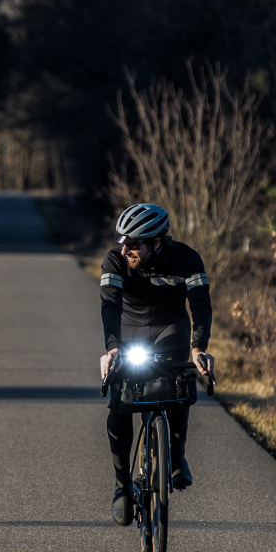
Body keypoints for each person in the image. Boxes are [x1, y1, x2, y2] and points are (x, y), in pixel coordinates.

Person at [99, 203, 215, 527]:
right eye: (123, 241)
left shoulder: (186, 259)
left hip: (170, 329)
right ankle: (123, 486)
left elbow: (200, 303)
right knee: (119, 403)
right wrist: (111, 349)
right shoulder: (116, 260)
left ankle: (176, 454)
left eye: (134, 243)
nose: (126, 249)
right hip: (128, 329)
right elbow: (109, 306)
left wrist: (199, 347)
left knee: (180, 372)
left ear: (157, 242)